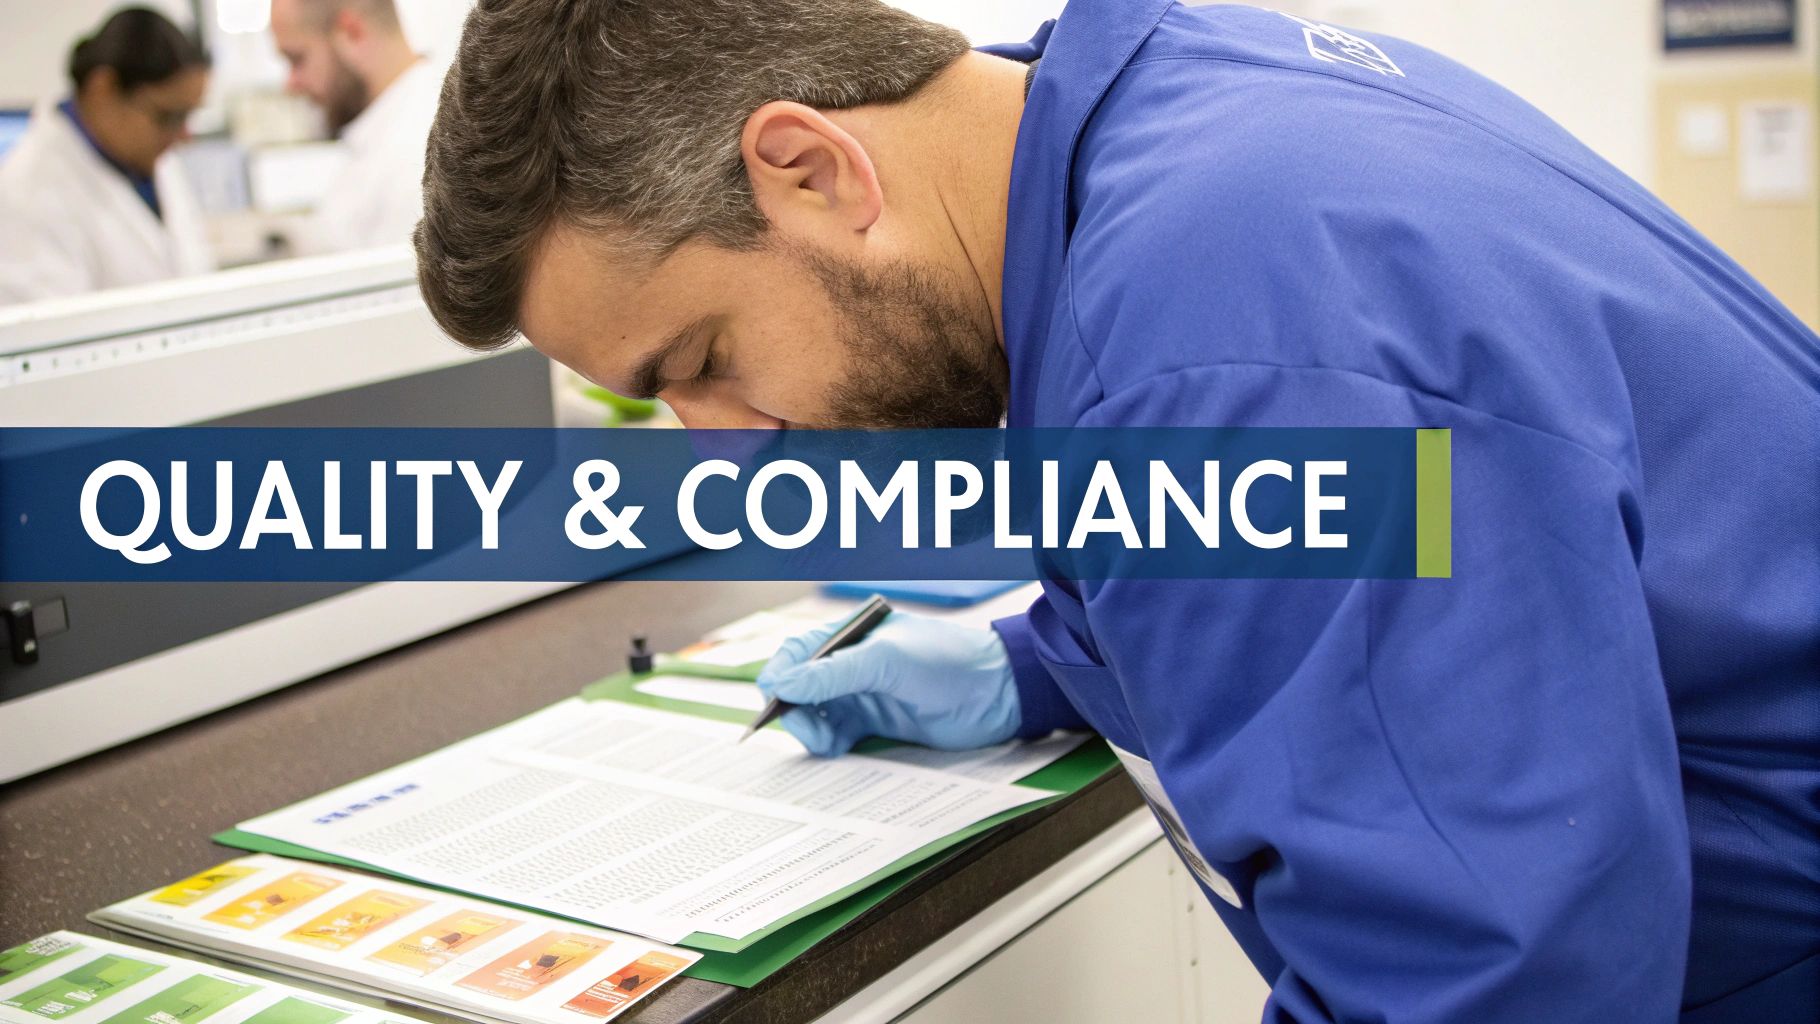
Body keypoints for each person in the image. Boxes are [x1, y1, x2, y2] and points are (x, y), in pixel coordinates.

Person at [413, 1, 1820, 1021]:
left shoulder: (1224, 334)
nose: (725, 453)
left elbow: (1487, 984)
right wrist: (1035, 663)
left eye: (706, 363)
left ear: (813, 170)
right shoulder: (1152, 112)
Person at [0, 7, 214, 305]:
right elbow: (54, 341)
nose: (183, 137)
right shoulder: (25, 192)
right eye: (169, 117)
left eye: (188, 117)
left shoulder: (157, 161)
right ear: (103, 88)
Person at [269, 0, 438, 253]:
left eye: (297, 58)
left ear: (352, 32)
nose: (291, 84)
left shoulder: (417, 154)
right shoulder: (382, 134)